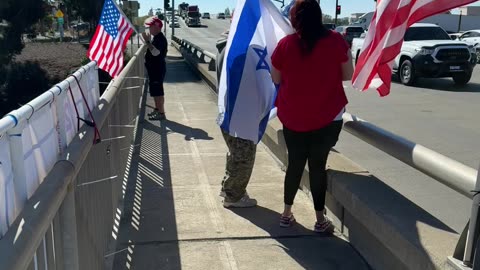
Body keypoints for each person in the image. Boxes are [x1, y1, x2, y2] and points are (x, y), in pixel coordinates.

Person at [271, 0, 354, 233]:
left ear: (294, 19)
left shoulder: (285, 44)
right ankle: (320, 220)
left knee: (295, 163)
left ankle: (286, 214)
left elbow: (275, 79)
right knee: (318, 166)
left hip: (293, 117)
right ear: (319, 16)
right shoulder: (336, 40)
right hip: (327, 118)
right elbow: (348, 74)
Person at [216, 40, 257, 209]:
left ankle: (229, 189)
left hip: (227, 110)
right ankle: (234, 197)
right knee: (244, 157)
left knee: (235, 154)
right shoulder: (238, 49)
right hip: (239, 113)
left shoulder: (225, 45)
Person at [143, 17, 168, 121]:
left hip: (157, 69)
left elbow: (156, 53)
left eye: (151, 26)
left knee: (158, 92)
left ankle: (161, 113)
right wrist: (148, 42)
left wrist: (148, 42)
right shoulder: (156, 38)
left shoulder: (160, 39)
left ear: (157, 27)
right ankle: (157, 110)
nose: (149, 29)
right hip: (154, 69)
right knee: (155, 91)